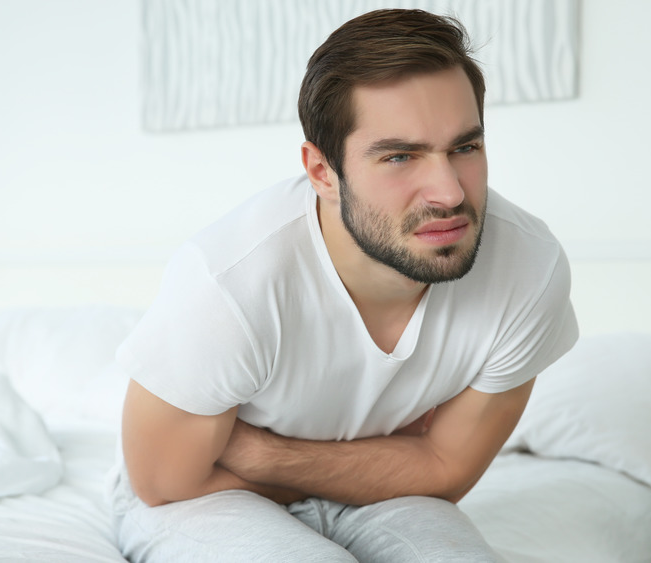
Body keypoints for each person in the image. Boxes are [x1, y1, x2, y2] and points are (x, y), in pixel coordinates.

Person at [107, 8, 578, 562]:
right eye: (400, 156)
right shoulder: (230, 282)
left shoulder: (528, 267)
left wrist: (265, 453)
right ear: (322, 172)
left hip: (378, 491)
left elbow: (446, 472)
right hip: (205, 494)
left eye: (465, 148)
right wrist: (397, 457)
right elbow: (165, 481)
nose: (449, 193)